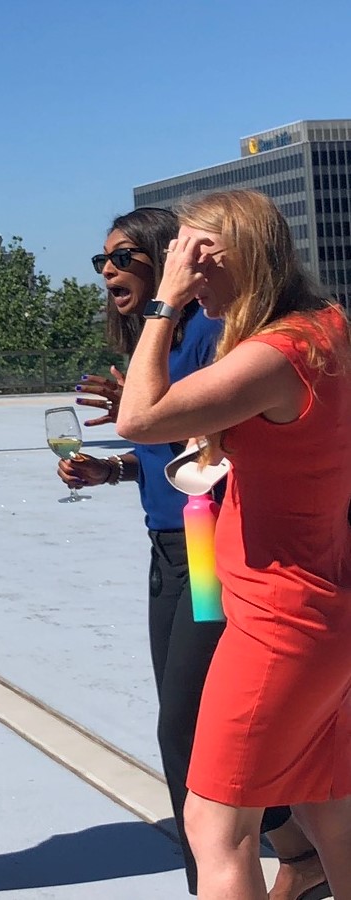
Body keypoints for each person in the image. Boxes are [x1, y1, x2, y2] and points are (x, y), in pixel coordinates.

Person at [60, 208, 323, 899]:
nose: (108, 270)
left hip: (215, 553)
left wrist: (164, 319)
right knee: (201, 732)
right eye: (101, 261)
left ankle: (220, 876)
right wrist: (115, 469)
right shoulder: (169, 337)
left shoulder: (212, 328)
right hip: (174, 549)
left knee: (190, 740)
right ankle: (297, 852)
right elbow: (176, 445)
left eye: (122, 256)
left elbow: (190, 434)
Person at [117, 189, 351, 899]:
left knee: (218, 829)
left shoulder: (276, 356)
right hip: (322, 610)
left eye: (195, 260)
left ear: (232, 257)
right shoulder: (327, 328)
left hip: (277, 622)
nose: (188, 276)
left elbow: (139, 417)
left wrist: (164, 302)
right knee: (328, 807)